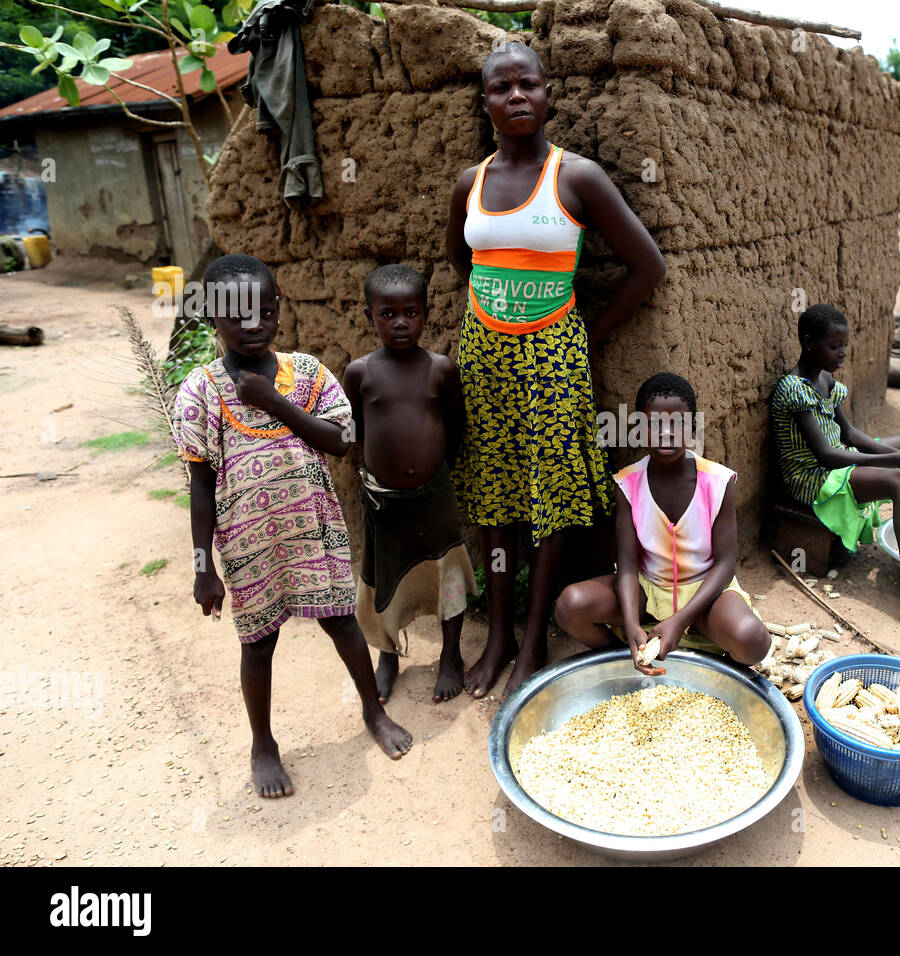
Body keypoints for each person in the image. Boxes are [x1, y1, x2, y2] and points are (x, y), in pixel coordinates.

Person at [446, 41, 666, 696]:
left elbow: (646, 267)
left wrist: (582, 335)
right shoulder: (471, 183)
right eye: (500, 88)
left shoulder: (578, 178)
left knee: (548, 501)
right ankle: (500, 634)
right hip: (484, 359)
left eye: (528, 85)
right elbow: (461, 260)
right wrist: (495, 313)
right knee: (494, 501)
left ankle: (533, 639)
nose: (516, 97)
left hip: (554, 362)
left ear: (548, 95)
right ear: (484, 102)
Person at [174, 253, 412, 799]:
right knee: (258, 644)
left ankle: (372, 712)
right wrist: (201, 566)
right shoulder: (202, 391)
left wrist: (273, 402)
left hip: (314, 532)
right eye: (237, 316)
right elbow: (200, 483)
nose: (254, 324)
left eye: (264, 310)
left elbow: (339, 441)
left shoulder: (306, 374)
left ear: (279, 308)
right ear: (213, 318)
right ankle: (263, 743)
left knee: (343, 624)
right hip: (249, 545)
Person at [770, 304, 900, 653]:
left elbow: (850, 435)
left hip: (837, 462)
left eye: (845, 344)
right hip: (812, 478)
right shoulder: (792, 388)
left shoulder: (826, 379)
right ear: (808, 342)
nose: (842, 352)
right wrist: (897, 460)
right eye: (834, 346)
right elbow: (826, 455)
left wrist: (893, 454)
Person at [555, 373, 770, 674]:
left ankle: (719, 671)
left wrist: (680, 619)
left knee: (753, 639)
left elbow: (725, 564)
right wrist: (631, 623)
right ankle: (631, 657)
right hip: (647, 590)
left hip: (704, 595)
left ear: (693, 429)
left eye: (678, 424)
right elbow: (627, 564)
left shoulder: (718, 482)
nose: (666, 433)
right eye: (654, 424)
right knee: (570, 605)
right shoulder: (628, 484)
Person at [343, 265, 478, 704]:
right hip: (383, 501)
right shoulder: (360, 373)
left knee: (446, 571)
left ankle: (452, 654)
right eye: (388, 314)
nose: (400, 322)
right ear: (370, 317)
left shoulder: (440, 369)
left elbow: (456, 428)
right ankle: (387, 655)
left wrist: (432, 468)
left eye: (411, 312)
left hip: (434, 494)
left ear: (425, 314)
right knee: (383, 575)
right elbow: (356, 431)